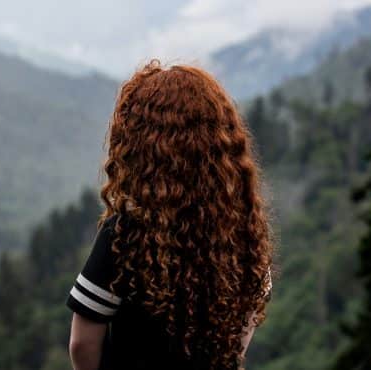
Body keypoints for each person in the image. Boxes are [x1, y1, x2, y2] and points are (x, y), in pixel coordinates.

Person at [66, 60, 274, 370]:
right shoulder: (243, 231)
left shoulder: (125, 233)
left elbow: (82, 344)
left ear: (139, 145)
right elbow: (241, 336)